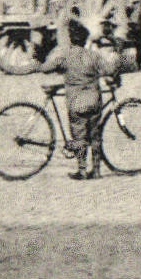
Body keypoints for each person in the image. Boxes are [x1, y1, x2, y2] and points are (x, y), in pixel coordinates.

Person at [41, 18, 111, 178]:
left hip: (76, 104)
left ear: (71, 39)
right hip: (94, 101)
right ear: (85, 39)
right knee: (95, 135)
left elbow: (46, 68)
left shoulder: (66, 57)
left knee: (79, 136)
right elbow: (109, 69)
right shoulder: (94, 56)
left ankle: (82, 170)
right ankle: (97, 171)